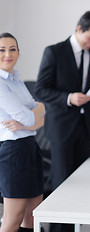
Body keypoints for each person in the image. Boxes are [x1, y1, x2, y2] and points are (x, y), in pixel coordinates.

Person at [35, 11, 90, 232]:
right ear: (79, 29)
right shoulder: (54, 52)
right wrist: (68, 98)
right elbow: (41, 89)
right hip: (61, 130)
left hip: (86, 129)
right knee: (62, 189)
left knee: (84, 188)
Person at [0, 32, 45, 232]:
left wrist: (36, 113)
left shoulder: (16, 79)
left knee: (33, 216)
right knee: (13, 217)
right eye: (1, 50)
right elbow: (30, 117)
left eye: (12, 49)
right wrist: (34, 115)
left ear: (18, 53)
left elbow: (40, 114)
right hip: (13, 152)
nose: (7, 54)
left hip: (30, 147)